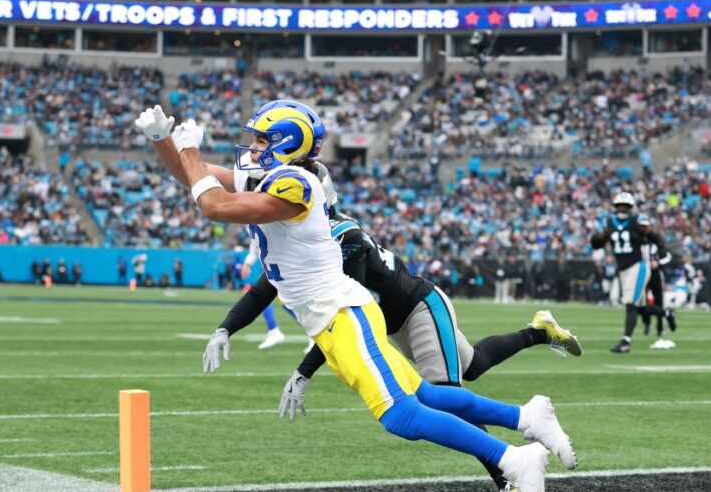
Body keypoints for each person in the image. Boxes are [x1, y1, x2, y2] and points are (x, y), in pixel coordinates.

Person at [137, 101, 573, 491]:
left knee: (401, 415)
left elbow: (215, 206)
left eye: (262, 140)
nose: (252, 147)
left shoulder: (295, 183)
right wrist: (162, 140)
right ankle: (526, 417)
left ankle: (513, 460)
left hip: (342, 313)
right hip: (328, 319)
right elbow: (191, 176)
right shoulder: (266, 176)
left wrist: (189, 147)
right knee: (426, 397)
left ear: (287, 144)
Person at [214, 171, 582, 490]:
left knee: (435, 396)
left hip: (417, 308)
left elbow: (345, 311)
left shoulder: (342, 240)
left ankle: (510, 475)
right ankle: (538, 337)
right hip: (388, 322)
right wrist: (225, 329)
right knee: (470, 367)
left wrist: (304, 371)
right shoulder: (306, 241)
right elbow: (265, 288)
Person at [590, 192, 669, 354]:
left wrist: (648, 233)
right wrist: (597, 238)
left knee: (630, 303)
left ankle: (626, 341)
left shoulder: (636, 221)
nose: (622, 208)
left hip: (638, 266)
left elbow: (658, 240)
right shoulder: (610, 222)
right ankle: (667, 313)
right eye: (620, 206)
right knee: (639, 307)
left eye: (625, 206)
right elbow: (597, 244)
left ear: (630, 208)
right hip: (623, 269)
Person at [637, 215, 677, 349]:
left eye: (645, 226)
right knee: (641, 302)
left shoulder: (657, 241)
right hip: (643, 273)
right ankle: (647, 324)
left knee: (659, 301)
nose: (643, 229)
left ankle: (660, 327)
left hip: (655, 274)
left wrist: (657, 263)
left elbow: (668, 256)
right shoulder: (638, 240)